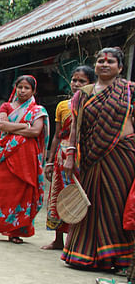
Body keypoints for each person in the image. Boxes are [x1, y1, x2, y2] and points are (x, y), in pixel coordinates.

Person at [62, 47, 135, 271]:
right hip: (91, 155)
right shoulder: (83, 93)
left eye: (111, 61)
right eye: (101, 61)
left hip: (122, 154)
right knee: (91, 203)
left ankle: (115, 257)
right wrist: (70, 155)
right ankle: (84, 254)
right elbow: (75, 127)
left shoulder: (130, 90)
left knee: (116, 202)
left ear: (120, 67)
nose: (105, 64)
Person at [0, 75, 48, 244]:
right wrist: (24, 126)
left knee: (20, 195)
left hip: (25, 159)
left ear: (33, 91)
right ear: (15, 88)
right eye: (20, 87)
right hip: (4, 156)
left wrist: (12, 129)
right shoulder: (6, 106)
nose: (23, 90)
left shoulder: (38, 111)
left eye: (27, 88)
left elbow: (35, 132)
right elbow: (0, 125)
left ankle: (14, 232)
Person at [41, 65, 95, 250]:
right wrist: (49, 161)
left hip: (84, 155)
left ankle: (75, 241)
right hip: (61, 156)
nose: (77, 84)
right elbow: (57, 135)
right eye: (74, 80)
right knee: (58, 194)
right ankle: (58, 240)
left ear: (91, 84)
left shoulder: (92, 105)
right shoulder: (62, 106)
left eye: (82, 81)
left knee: (80, 196)